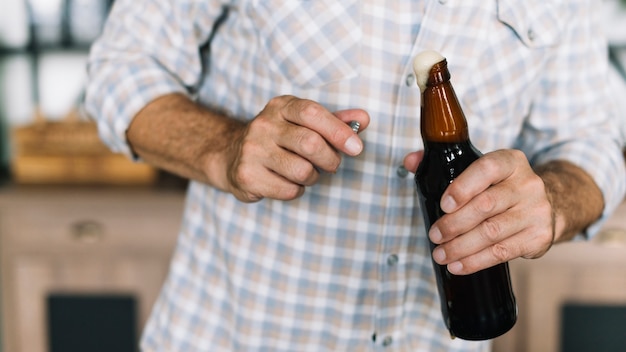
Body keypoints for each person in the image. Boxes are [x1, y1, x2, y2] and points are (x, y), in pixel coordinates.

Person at [85, 0, 626, 351]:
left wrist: (551, 201)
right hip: (233, 334)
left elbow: (591, 139)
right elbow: (122, 68)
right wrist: (224, 148)